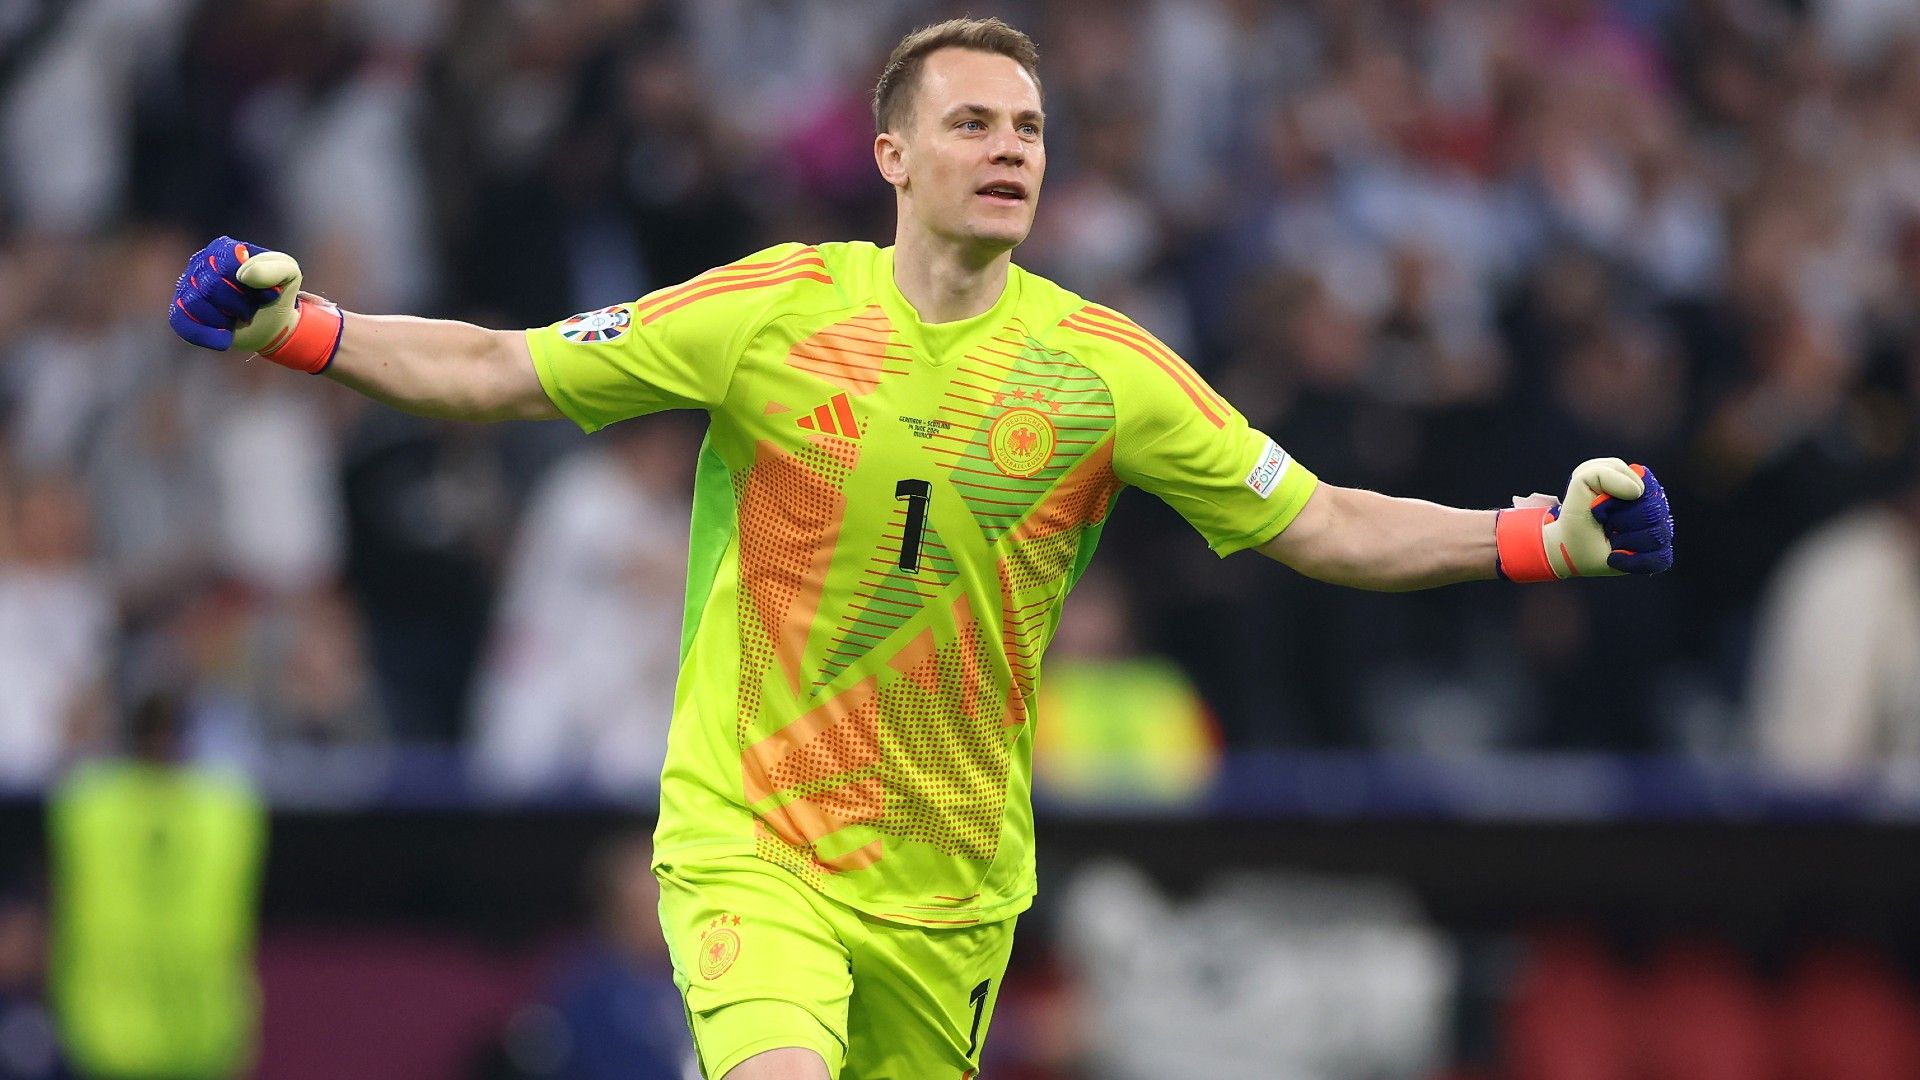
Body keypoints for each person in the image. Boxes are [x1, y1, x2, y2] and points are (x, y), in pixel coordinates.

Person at [165, 17, 1674, 1079]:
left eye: (1027, 128)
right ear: (892, 152)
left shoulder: (1104, 372)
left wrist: (1548, 543)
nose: (1008, 147)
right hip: (750, 838)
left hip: (950, 887)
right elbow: (502, 369)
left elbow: (1327, 521)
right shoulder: (774, 309)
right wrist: (301, 328)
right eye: (972, 122)